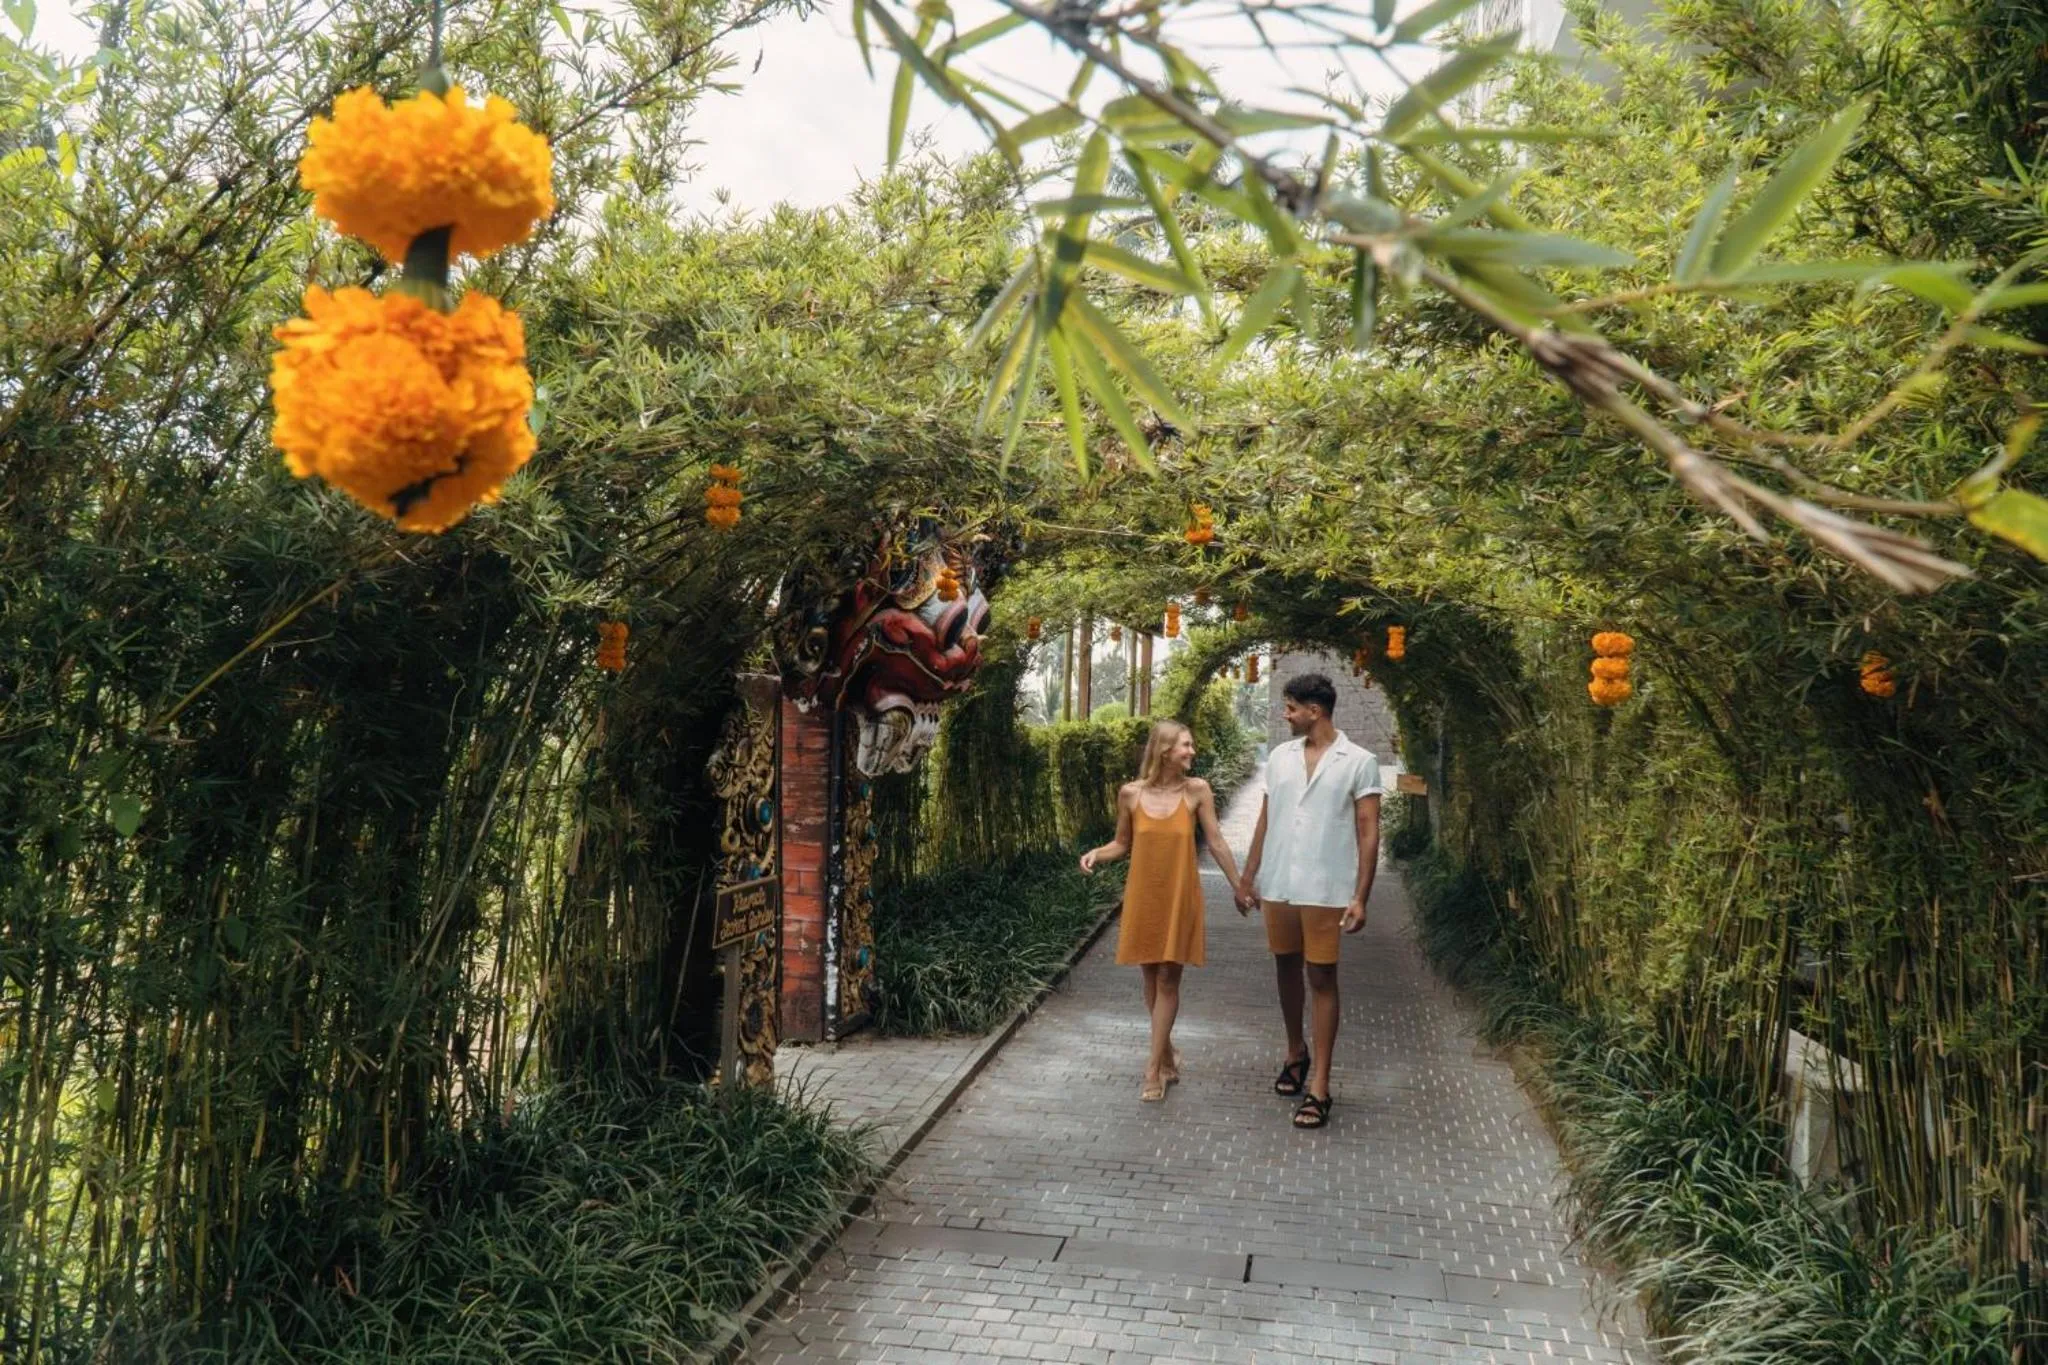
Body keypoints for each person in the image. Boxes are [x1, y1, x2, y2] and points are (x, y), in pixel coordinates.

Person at [1236, 673, 1381, 1130]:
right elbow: (1264, 819)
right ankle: (1294, 1052)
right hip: (1279, 882)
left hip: (1326, 888)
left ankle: (1320, 1084)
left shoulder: (1360, 761)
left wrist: (1360, 896)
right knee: (1284, 966)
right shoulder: (1279, 758)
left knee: (1321, 975)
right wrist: (1247, 875)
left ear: (1314, 710)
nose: (1285, 715)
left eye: (1291, 707)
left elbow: (1368, 831)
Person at [1081, 720, 1246, 1103]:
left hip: (1179, 895)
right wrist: (1096, 854)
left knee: (1169, 980)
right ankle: (1168, 1054)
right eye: (1186, 745)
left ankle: (1153, 1070)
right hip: (1144, 895)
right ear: (1165, 750)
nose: (1192, 751)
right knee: (1151, 979)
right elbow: (1121, 843)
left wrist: (1239, 885)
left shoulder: (1197, 791)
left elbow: (1218, 842)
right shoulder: (1130, 795)